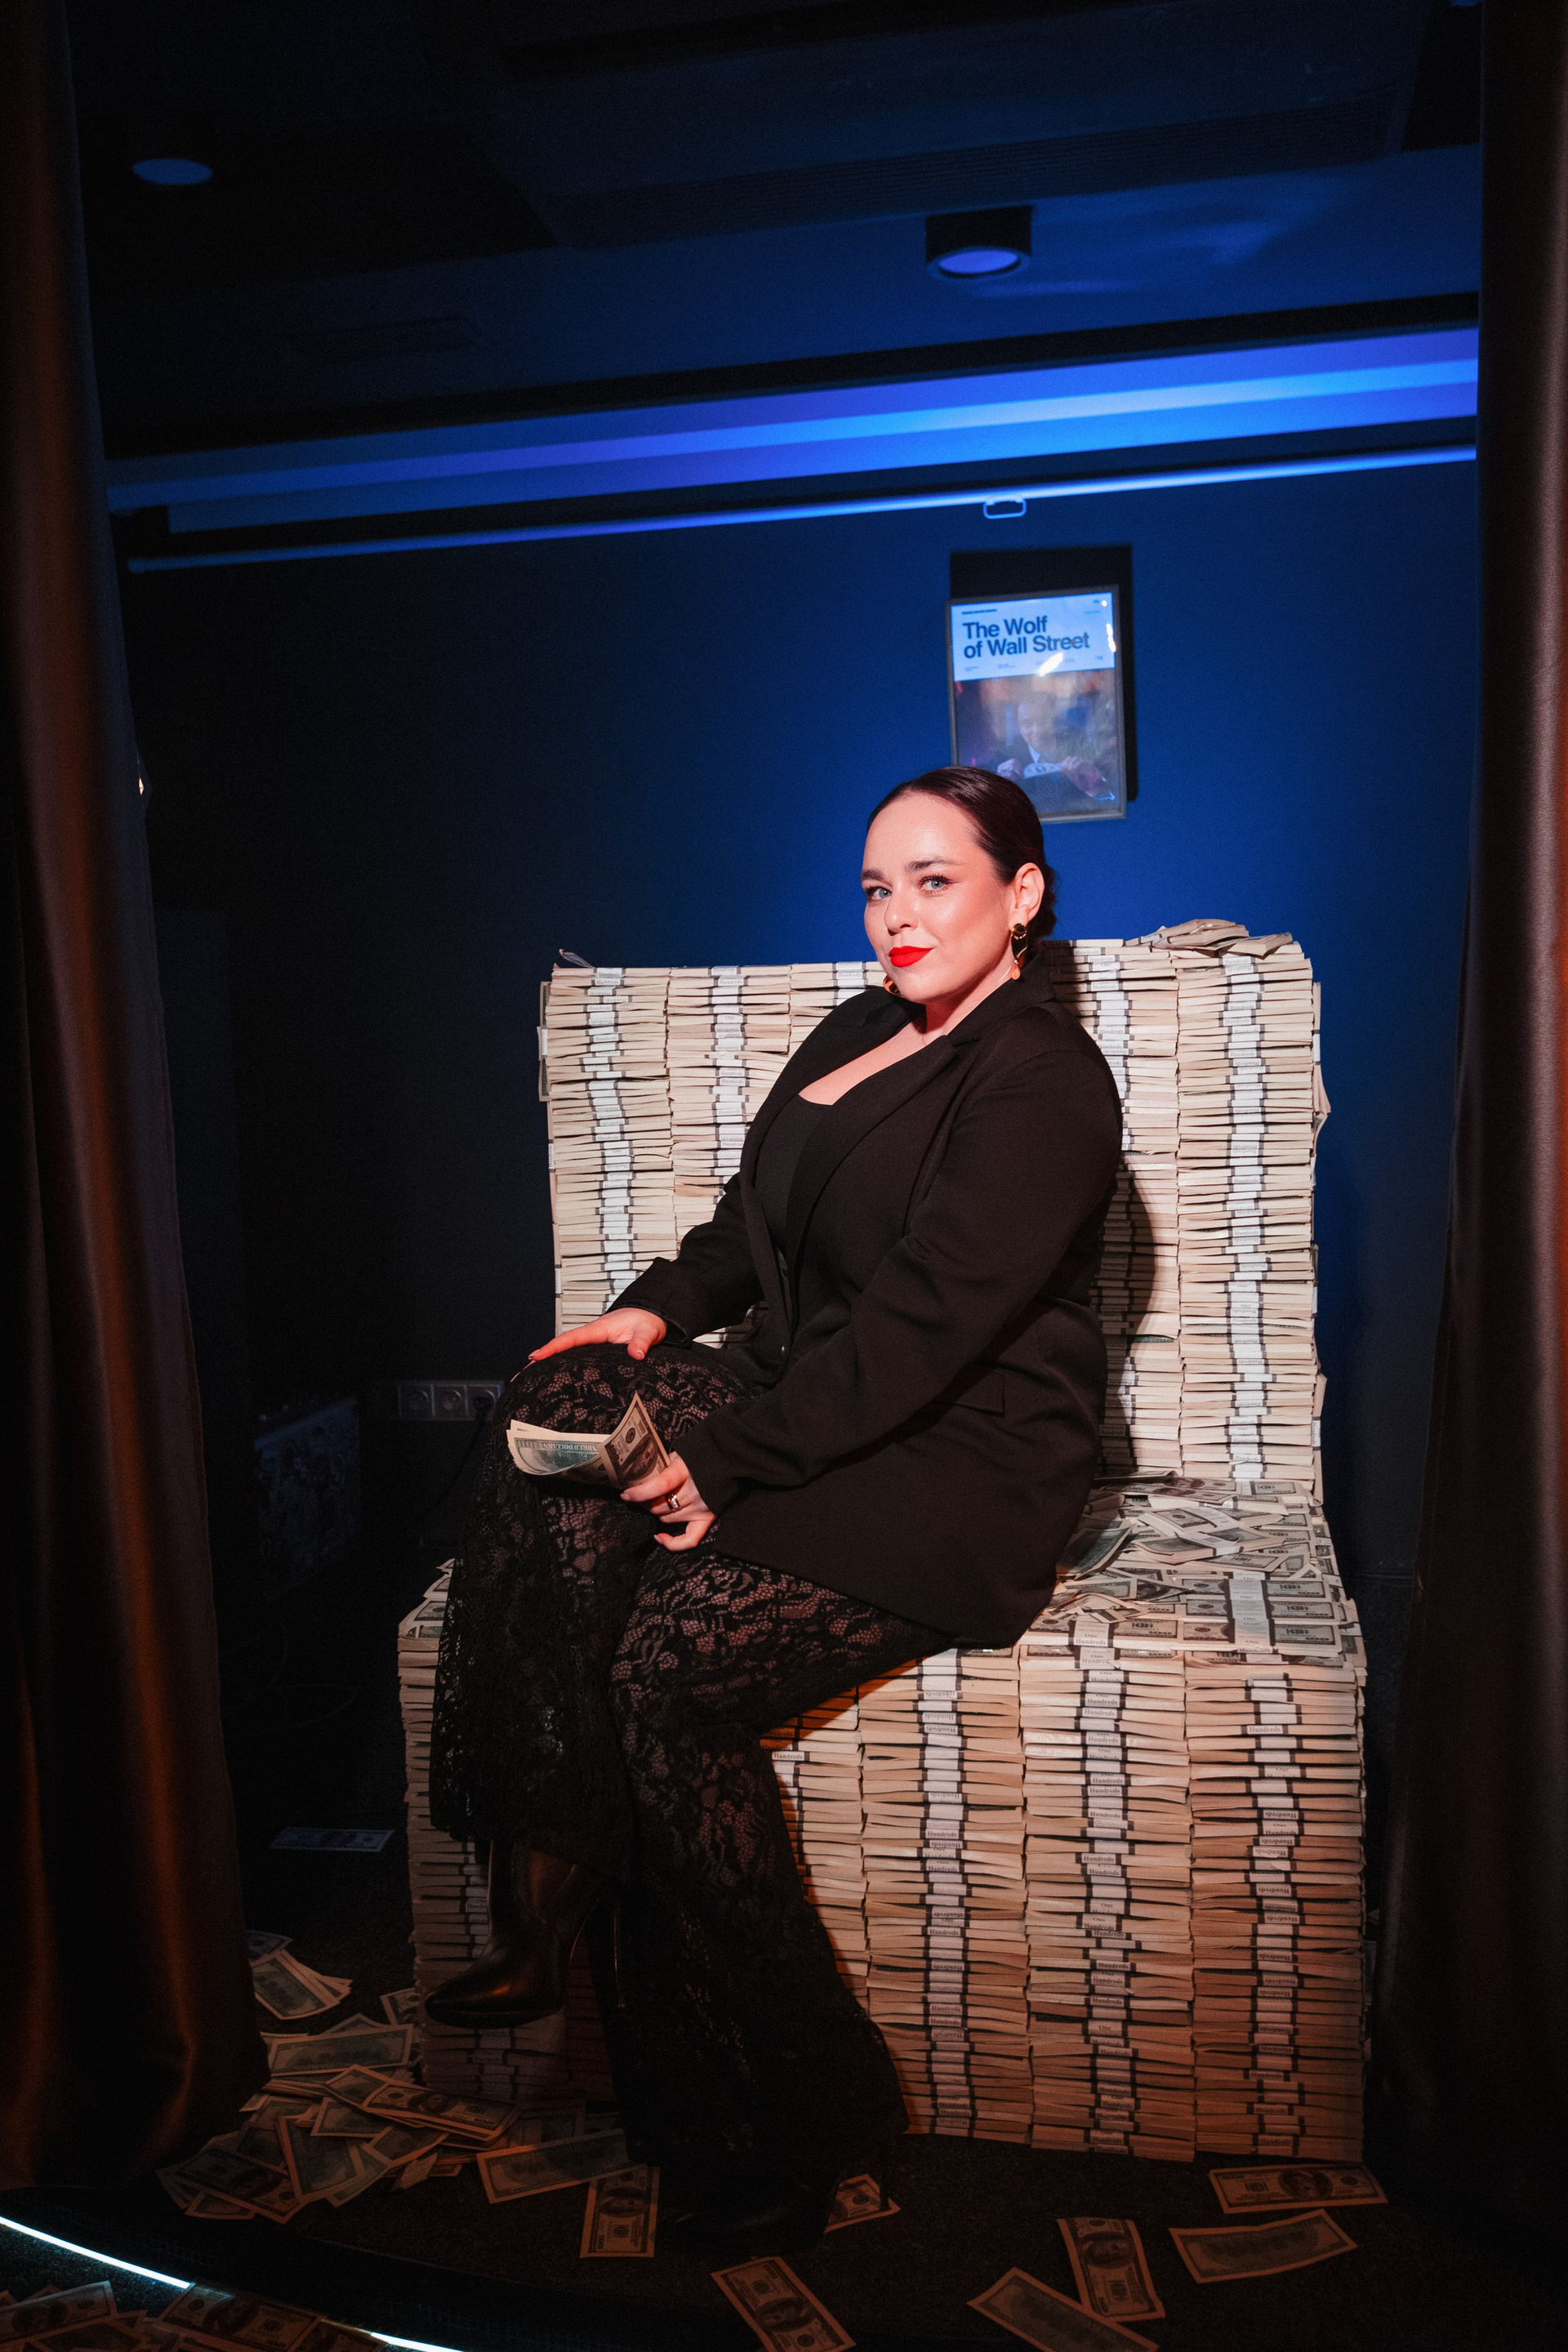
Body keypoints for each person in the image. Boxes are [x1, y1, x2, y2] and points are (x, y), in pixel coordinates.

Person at [426, 765, 1120, 2257]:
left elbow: (927, 1325)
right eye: (877, 887)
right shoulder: (861, 1027)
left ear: (1022, 894)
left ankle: (804, 2102)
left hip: (959, 1457)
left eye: (935, 880)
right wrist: (652, 1308)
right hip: (810, 1392)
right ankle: (543, 1885)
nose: (898, 916)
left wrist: (729, 1461)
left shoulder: (1047, 1080)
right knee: (553, 1404)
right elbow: (752, 1225)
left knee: (660, 1681)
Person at [994, 693, 1113, 815]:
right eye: (1028, 724)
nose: (1038, 730)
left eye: (1043, 720)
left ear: (1054, 719)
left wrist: (1093, 788)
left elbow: (1112, 803)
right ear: (1019, 726)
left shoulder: (1082, 750)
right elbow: (992, 813)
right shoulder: (1003, 759)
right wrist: (999, 786)